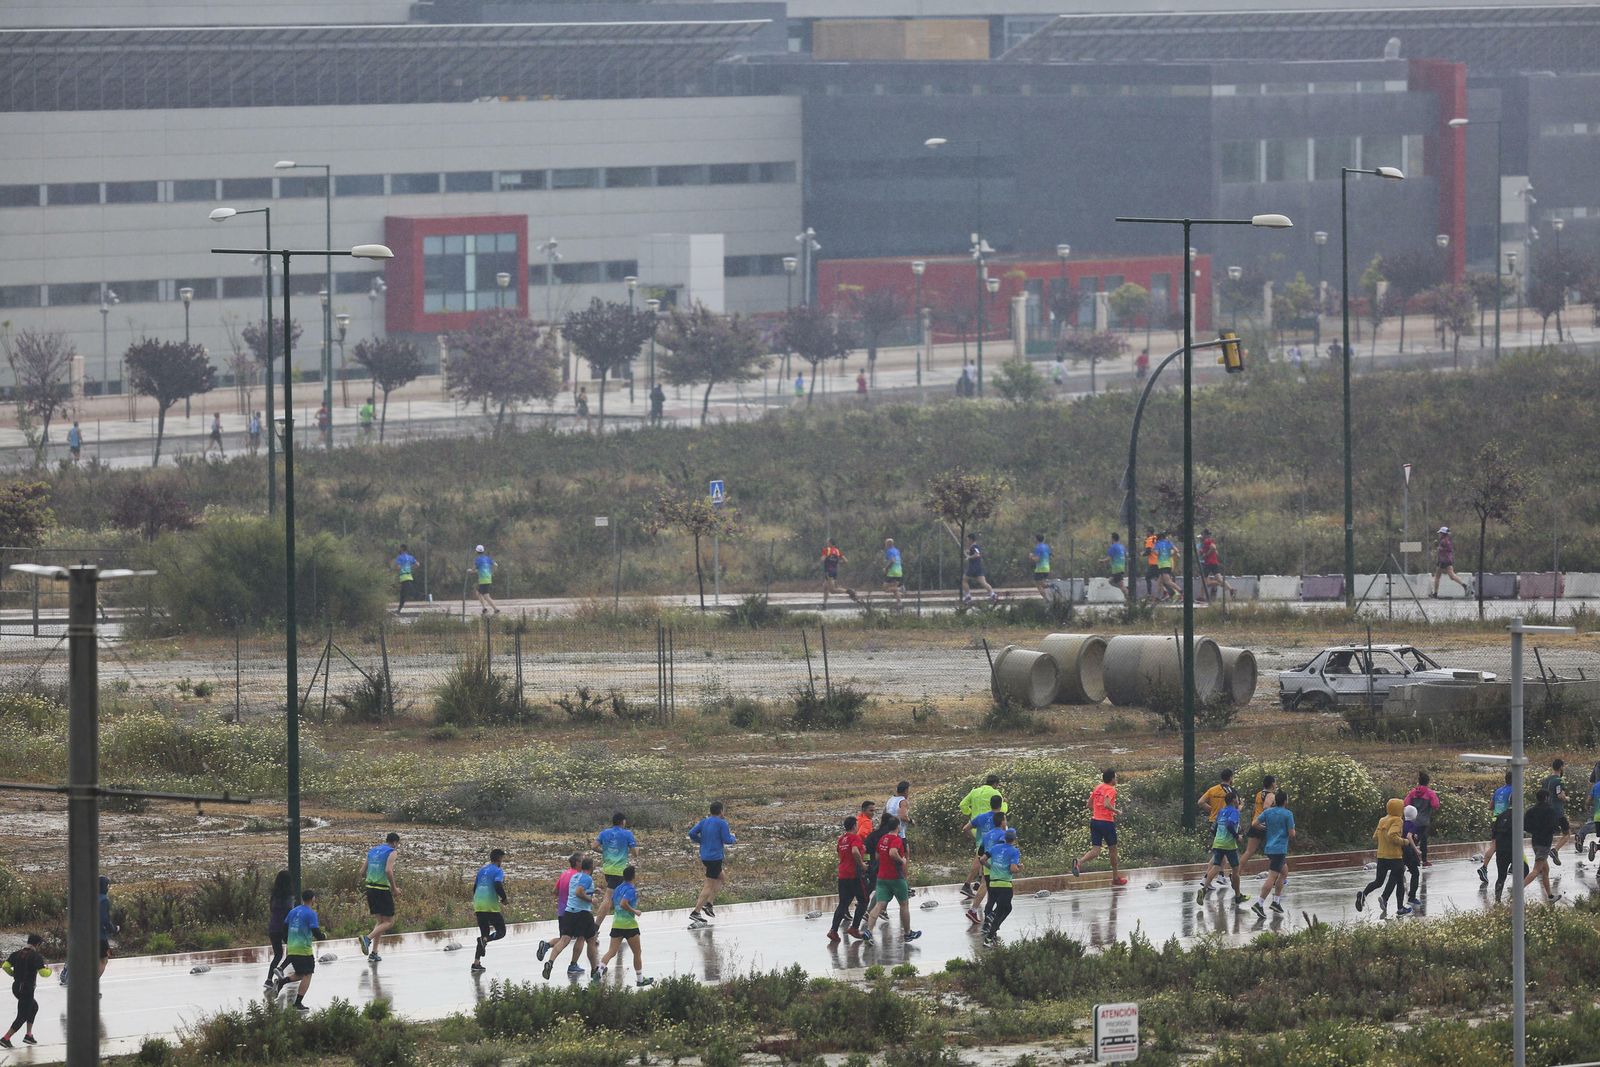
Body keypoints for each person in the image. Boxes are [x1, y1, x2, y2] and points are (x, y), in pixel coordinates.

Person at [857, 815, 921, 943]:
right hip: (896, 878)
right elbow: (892, 852)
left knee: (879, 905)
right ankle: (907, 933)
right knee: (904, 905)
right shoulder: (896, 839)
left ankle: (869, 931)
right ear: (898, 827)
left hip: (882, 877)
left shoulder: (882, 839)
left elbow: (877, 855)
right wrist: (901, 860)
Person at [1072, 768, 1127, 886]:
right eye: (1116, 777)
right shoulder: (1111, 789)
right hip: (1106, 823)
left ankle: (1079, 862)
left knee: (1095, 850)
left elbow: (1088, 804)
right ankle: (1115, 878)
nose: (1117, 779)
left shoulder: (1098, 787)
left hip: (1095, 821)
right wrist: (1116, 811)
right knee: (1113, 850)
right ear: (1112, 779)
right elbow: (1107, 804)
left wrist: (1098, 810)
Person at [598, 865, 652, 986]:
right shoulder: (631, 890)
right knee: (637, 952)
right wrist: (635, 911)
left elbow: (613, 905)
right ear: (633, 876)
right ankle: (640, 979)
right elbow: (623, 904)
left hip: (616, 924)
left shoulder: (617, 888)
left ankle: (599, 971)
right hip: (629, 926)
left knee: (611, 952)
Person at [537, 853, 588, 980]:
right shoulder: (578, 876)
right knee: (581, 937)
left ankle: (547, 946)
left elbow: (555, 891)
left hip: (562, 911)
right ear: (577, 863)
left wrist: (563, 897)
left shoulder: (564, 874)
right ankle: (573, 965)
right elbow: (580, 893)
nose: (585, 862)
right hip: (575, 911)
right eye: (583, 860)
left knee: (564, 938)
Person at [273, 890, 325, 1011]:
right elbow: (315, 931)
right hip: (303, 950)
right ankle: (298, 1003)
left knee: (301, 974)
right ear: (313, 899)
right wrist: (322, 937)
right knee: (308, 974)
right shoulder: (311, 913)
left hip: (292, 948)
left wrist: (288, 940)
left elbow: (284, 927)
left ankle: (282, 982)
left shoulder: (293, 911)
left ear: (302, 899)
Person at [1194, 788, 1246, 906]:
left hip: (1218, 842)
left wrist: (1219, 836)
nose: (1238, 800)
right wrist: (1237, 836)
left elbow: (1215, 827)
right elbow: (1230, 824)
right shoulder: (1234, 812)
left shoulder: (1221, 811)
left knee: (1217, 866)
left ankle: (1204, 889)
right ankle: (1238, 896)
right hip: (1229, 844)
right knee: (1235, 870)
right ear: (1233, 800)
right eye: (1237, 799)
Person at [1356, 798, 1407, 915]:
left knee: (1378, 881)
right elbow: (1392, 835)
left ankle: (1363, 894)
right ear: (1399, 809)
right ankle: (1397, 906)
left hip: (1381, 855)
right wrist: (1404, 842)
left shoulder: (1382, 820)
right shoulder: (1397, 820)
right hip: (1394, 856)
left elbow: (1375, 836)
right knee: (1399, 880)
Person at [687, 801, 735, 925]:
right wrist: (733, 838)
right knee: (709, 885)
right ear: (721, 811)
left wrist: (701, 841)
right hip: (715, 858)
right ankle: (696, 912)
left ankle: (709, 904)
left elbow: (691, 833)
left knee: (722, 878)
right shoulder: (722, 823)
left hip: (705, 856)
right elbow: (727, 839)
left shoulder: (704, 822)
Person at [958, 774, 1006, 898]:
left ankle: (979, 881)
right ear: (995, 784)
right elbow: (1001, 811)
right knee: (980, 857)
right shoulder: (995, 793)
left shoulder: (974, 791)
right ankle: (968, 884)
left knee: (982, 854)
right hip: (990, 827)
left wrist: (970, 813)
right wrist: (1006, 804)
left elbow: (962, 805)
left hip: (975, 825)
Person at [1251, 791, 1296, 917]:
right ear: (1285, 801)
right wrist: (1291, 830)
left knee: (1284, 872)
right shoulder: (1288, 814)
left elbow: (1254, 824)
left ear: (1275, 801)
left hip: (1270, 848)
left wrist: (1266, 829)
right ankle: (1259, 904)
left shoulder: (1268, 812)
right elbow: (1292, 834)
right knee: (1272, 877)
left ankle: (1276, 902)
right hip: (1279, 849)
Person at [962, 794, 1006, 923]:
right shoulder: (1001, 817)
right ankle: (975, 910)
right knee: (987, 884)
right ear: (1000, 804)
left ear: (990, 804)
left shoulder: (981, 817)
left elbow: (965, 828)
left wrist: (976, 839)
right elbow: (1004, 834)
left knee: (988, 883)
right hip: (994, 855)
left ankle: (986, 911)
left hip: (981, 850)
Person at [1, 933, 48, 1048]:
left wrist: (13, 974)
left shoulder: (16, 954)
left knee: (34, 1007)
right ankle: (5, 1038)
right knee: (22, 1016)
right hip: (27, 989)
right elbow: (43, 973)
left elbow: (5, 966)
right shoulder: (36, 956)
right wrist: (49, 971)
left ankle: (28, 1035)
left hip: (16, 987)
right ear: (37, 944)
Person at [359, 832, 400, 964]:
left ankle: (374, 953)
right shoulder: (392, 851)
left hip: (370, 888)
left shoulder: (372, 851)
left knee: (380, 921)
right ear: (395, 842)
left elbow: (362, 872)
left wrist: (372, 877)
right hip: (382, 889)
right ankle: (367, 939)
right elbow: (388, 870)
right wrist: (394, 888)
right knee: (389, 922)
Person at [828, 815, 869, 944]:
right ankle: (854, 928)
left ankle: (833, 930)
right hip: (854, 875)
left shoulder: (841, 839)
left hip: (843, 874)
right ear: (854, 826)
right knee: (864, 900)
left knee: (843, 903)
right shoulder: (855, 838)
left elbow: (839, 853)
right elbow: (855, 851)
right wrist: (862, 864)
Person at [561, 857, 604, 980]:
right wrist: (591, 900)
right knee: (590, 940)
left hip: (570, 911)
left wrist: (593, 890)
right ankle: (593, 969)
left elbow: (579, 890)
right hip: (583, 912)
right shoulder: (586, 877)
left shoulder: (575, 876)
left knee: (577, 938)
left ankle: (566, 963)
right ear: (590, 867)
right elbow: (579, 892)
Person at [470, 848, 509, 973]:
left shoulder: (482, 870)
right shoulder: (498, 870)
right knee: (501, 932)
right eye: (502, 859)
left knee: (484, 934)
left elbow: (475, 887)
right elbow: (498, 884)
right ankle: (485, 940)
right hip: (490, 907)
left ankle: (476, 963)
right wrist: (504, 898)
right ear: (499, 859)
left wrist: (477, 902)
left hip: (478, 905)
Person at [595, 813, 639, 922]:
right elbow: (634, 853)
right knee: (608, 898)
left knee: (616, 897)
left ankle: (619, 920)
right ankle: (595, 927)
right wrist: (637, 850)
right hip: (619, 871)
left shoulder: (604, 833)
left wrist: (604, 852)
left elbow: (593, 846)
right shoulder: (627, 834)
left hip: (607, 870)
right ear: (623, 821)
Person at [982, 828, 1022, 947]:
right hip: (1004, 884)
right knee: (1000, 912)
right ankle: (988, 938)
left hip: (993, 884)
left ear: (1004, 838)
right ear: (1014, 839)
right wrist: (1020, 868)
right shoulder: (1014, 851)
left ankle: (991, 931)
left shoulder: (995, 848)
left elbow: (982, 859)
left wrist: (991, 867)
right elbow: (1013, 869)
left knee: (1007, 908)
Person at [1478, 771, 1515, 884]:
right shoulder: (1514, 790)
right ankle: (1513, 865)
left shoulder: (1498, 790)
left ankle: (1484, 867)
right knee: (1514, 842)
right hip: (1507, 821)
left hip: (1495, 820)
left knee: (1494, 845)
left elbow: (1490, 806)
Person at [1525, 789, 1561, 901]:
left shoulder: (1531, 811)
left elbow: (1526, 826)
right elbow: (1555, 827)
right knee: (1536, 870)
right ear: (1546, 798)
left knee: (1545, 870)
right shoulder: (1550, 811)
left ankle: (1550, 896)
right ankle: (1517, 889)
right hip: (1545, 843)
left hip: (1535, 841)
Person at [1490, 802, 1527, 902]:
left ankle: (1497, 899)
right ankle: (1516, 894)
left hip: (1501, 850)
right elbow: (1525, 830)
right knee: (1525, 870)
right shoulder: (1519, 815)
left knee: (1501, 876)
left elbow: (1493, 835)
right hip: (1514, 850)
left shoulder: (1500, 816)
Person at [265, 868, 295, 990]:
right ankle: (281, 968)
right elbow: (290, 912)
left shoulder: (274, 896)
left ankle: (268, 980)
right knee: (293, 951)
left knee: (278, 954)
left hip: (273, 926)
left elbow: (271, 910)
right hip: (285, 927)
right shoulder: (289, 897)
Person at [1239, 775, 1277, 870]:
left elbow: (1256, 809)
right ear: (1272, 784)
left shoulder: (1259, 794)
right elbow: (1266, 807)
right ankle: (1276, 873)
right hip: (1264, 825)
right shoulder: (1271, 795)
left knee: (1249, 851)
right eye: (1275, 782)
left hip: (1255, 823)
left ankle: (1236, 872)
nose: (1276, 785)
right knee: (1274, 851)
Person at [1403, 772, 1440, 866]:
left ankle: (1408, 859)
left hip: (1413, 820)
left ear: (1419, 781)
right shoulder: (1430, 793)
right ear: (1428, 782)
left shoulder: (1413, 792)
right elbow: (1435, 805)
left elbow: (1405, 803)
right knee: (1423, 840)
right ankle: (1423, 860)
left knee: (1412, 839)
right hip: (1424, 821)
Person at [1543, 758, 1571, 863]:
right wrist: (1566, 798)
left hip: (1546, 810)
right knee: (1567, 833)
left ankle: (1542, 857)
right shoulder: (1559, 780)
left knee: (1547, 834)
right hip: (1557, 811)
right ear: (1561, 767)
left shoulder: (1546, 780)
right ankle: (1555, 850)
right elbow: (1560, 795)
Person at [1430, 526, 1471, 597]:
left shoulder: (1443, 541)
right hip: (1448, 560)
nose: (1439, 534)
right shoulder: (1447, 540)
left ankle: (1435, 594)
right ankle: (1464, 585)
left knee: (1437, 577)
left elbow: (1444, 550)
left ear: (1443, 534)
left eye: (1440, 533)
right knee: (1452, 576)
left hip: (1442, 560)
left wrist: (1437, 547)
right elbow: (1448, 549)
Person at [1198, 529, 1234, 603]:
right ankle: (1230, 589)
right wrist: (1206, 553)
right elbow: (1216, 552)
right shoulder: (1210, 541)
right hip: (1214, 563)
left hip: (1208, 563)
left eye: (1202, 534)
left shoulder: (1207, 541)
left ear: (1205, 535)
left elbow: (1213, 548)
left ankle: (1201, 597)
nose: (1202, 536)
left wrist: (1206, 555)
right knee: (1219, 578)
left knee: (1204, 580)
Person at [961, 533, 997, 604]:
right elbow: (976, 552)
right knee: (983, 583)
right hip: (978, 567)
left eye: (967, 540)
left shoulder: (974, 546)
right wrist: (968, 552)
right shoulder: (974, 547)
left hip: (973, 567)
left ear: (971, 539)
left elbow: (977, 554)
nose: (967, 541)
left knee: (964, 580)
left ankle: (968, 596)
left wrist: (969, 557)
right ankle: (993, 594)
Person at [1401, 805, 1423, 908]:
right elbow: (1408, 836)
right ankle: (1412, 897)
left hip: (1401, 851)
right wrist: (1416, 849)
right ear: (1415, 815)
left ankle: (1386, 898)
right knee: (1415, 873)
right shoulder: (1413, 824)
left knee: (1399, 875)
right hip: (1409, 851)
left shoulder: (1402, 823)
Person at [1153, 529, 1181, 601]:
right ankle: (1157, 598)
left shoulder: (1157, 544)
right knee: (1159, 582)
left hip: (1162, 564)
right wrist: (1169, 553)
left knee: (1168, 581)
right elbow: (1177, 550)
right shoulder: (1168, 542)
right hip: (1168, 564)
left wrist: (1153, 550)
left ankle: (1181, 591)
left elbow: (1157, 553)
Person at [472, 544, 500, 615]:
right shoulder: (488, 558)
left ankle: (496, 609)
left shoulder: (478, 559)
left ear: (476, 551)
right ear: (483, 551)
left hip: (483, 580)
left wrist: (470, 570)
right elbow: (496, 565)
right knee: (478, 593)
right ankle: (484, 608)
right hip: (488, 578)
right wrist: (492, 572)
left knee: (486, 596)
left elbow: (474, 569)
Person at [97, 875, 116, 979]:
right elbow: (104, 920)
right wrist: (114, 929)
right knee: (103, 960)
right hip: (99, 936)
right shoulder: (104, 900)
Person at [392, 544, 418, 615]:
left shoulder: (399, 557)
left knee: (403, 595)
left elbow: (398, 567)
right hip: (409, 577)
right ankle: (398, 610)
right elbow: (417, 564)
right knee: (404, 594)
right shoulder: (410, 557)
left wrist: (400, 568)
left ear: (402, 549)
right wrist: (410, 568)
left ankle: (398, 611)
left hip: (403, 578)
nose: (399, 549)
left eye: (400, 548)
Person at [885, 781, 912, 847]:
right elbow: (903, 816)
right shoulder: (902, 801)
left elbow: (884, 814)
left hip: (888, 831)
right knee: (905, 850)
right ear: (906, 790)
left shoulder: (890, 800)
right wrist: (911, 821)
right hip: (899, 833)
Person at [820, 539, 847, 607]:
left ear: (830, 543)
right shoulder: (837, 551)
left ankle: (848, 591)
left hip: (828, 572)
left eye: (828, 543)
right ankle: (824, 604)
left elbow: (822, 560)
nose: (827, 544)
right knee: (825, 587)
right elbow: (846, 561)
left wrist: (824, 557)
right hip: (834, 571)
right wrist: (837, 562)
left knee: (832, 590)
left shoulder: (826, 550)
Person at [1102, 532, 1128, 599]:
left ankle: (1128, 595)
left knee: (1121, 585)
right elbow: (1126, 555)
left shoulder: (1113, 547)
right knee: (1111, 581)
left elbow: (1109, 558)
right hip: (1121, 567)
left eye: (1110, 538)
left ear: (1113, 539)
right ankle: (1125, 590)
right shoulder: (1122, 546)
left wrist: (1102, 561)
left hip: (1117, 568)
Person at [881, 538, 904, 609]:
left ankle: (900, 588)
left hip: (892, 572)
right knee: (894, 589)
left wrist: (886, 568)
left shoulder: (889, 551)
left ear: (888, 544)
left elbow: (892, 560)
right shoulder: (897, 550)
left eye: (885, 544)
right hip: (899, 571)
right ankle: (899, 603)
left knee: (885, 588)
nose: (885, 545)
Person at [1029, 533, 1053, 601]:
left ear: (1036, 539)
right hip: (1047, 568)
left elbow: (1037, 559)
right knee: (1042, 584)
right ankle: (1051, 586)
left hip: (1040, 569)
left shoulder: (1038, 547)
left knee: (1038, 585)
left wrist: (1031, 557)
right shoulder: (1046, 547)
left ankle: (1046, 600)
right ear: (1043, 539)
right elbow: (1050, 555)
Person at [1142, 527, 1160, 600]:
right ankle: (1168, 592)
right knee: (1160, 578)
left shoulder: (1149, 539)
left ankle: (1149, 594)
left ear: (1149, 532)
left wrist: (1142, 554)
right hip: (1159, 561)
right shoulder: (1156, 538)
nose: (1146, 533)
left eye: (1147, 532)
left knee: (1147, 577)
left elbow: (1148, 552)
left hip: (1154, 562)